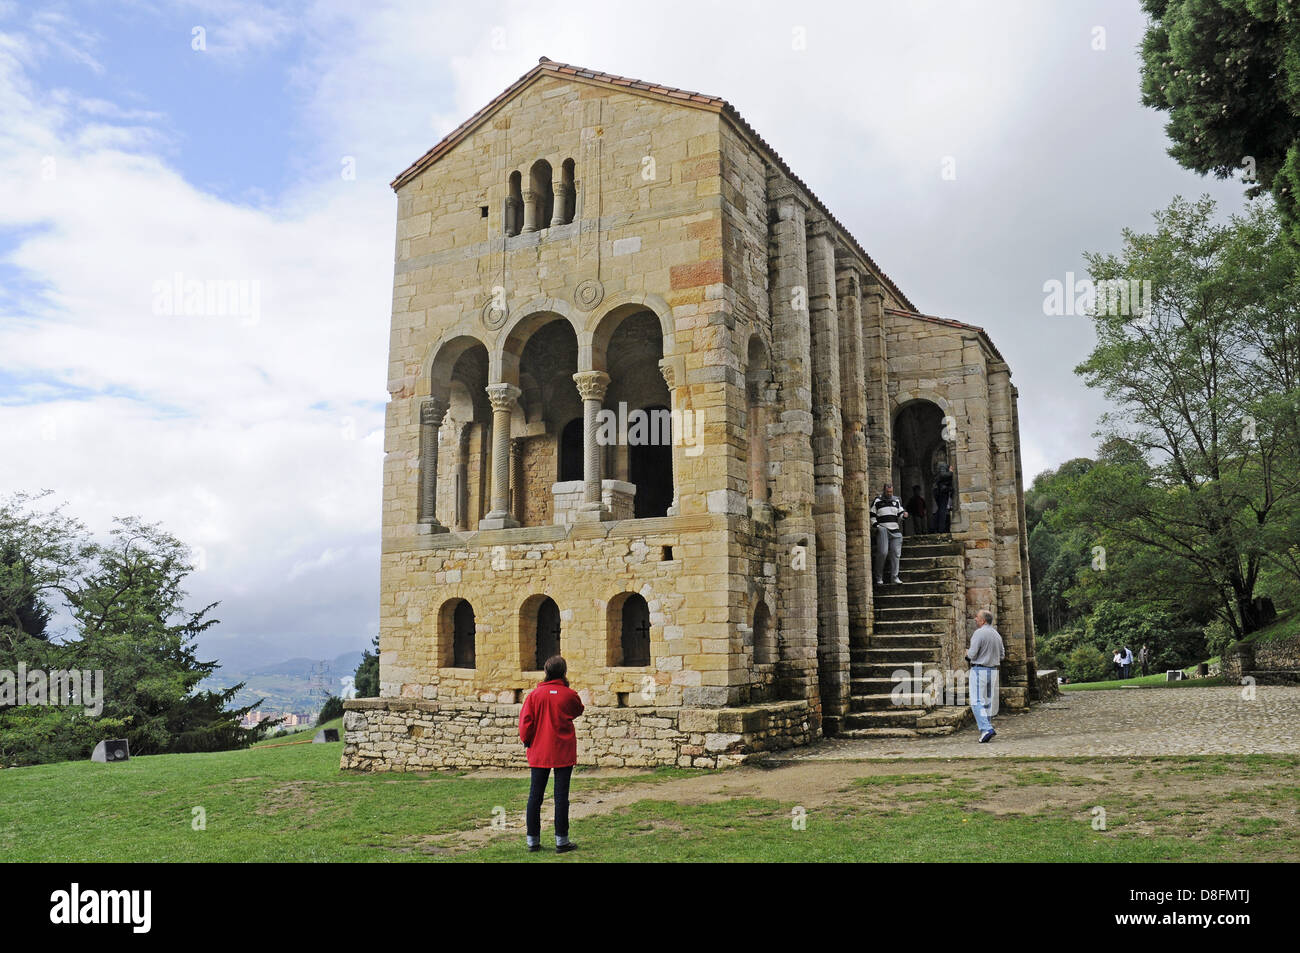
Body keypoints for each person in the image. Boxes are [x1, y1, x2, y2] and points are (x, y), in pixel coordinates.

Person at [518, 655, 585, 853]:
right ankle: (561, 841)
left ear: (546, 672)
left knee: (535, 797)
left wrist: (527, 741)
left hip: (540, 751)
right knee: (561, 797)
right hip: (562, 750)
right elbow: (577, 710)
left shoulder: (534, 696)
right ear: (563, 672)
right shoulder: (569, 694)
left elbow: (525, 724)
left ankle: (533, 841)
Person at [965, 610, 1005, 743]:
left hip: (979, 669)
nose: (975, 619)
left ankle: (986, 728)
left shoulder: (979, 633)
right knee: (987, 702)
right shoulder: (997, 635)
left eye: (977, 617)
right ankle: (985, 730)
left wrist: (967, 653)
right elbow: (1002, 655)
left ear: (983, 620)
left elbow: (972, 654)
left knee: (976, 701)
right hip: (993, 670)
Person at [870, 482, 908, 585]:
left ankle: (894, 577)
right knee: (883, 553)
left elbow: (900, 514)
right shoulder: (877, 501)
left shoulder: (896, 500)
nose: (889, 493)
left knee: (896, 554)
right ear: (884, 491)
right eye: (888, 492)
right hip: (883, 530)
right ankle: (878, 577)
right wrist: (877, 526)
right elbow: (872, 516)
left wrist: (904, 515)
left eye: (891, 492)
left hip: (895, 530)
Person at [930, 464, 955, 533]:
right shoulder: (943, 465)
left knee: (941, 510)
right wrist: (951, 472)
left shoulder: (943, 466)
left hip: (941, 491)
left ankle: (935, 528)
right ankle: (940, 529)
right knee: (942, 510)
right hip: (941, 491)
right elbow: (942, 475)